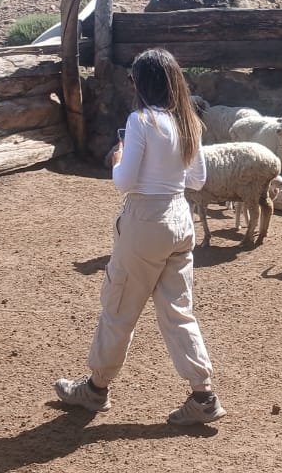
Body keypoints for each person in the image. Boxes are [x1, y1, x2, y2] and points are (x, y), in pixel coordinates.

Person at [53, 48, 225, 426]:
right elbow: (197, 180)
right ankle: (203, 394)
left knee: (119, 308)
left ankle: (95, 390)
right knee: (179, 311)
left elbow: (125, 182)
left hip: (145, 222)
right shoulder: (189, 121)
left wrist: (118, 160)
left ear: (141, 83)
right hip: (181, 219)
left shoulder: (140, 121)